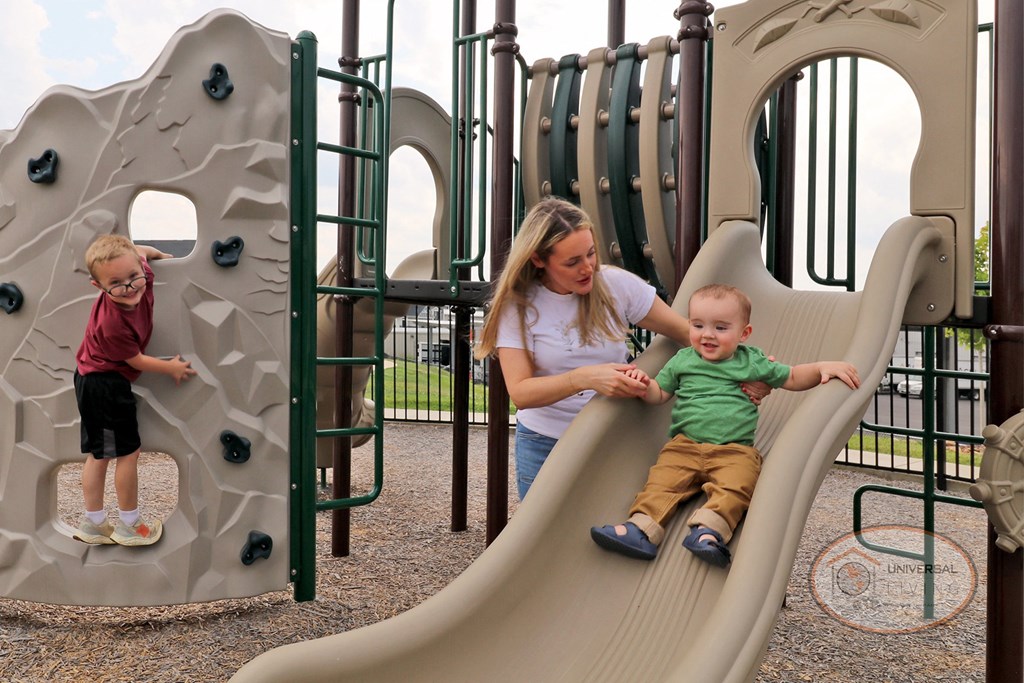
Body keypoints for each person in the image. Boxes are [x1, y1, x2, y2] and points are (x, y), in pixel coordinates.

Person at [474, 198, 768, 500]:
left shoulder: (615, 285)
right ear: (538, 260)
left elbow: (688, 334)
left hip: (613, 433)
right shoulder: (519, 307)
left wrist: (746, 370)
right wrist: (585, 378)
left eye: (591, 253)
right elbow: (521, 392)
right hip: (546, 440)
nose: (588, 267)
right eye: (572, 262)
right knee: (542, 536)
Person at [591, 283, 860, 567]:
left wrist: (820, 369)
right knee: (660, 482)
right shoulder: (683, 360)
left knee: (738, 486)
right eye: (698, 325)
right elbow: (660, 394)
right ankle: (642, 528)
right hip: (684, 445)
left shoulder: (752, 361)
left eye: (721, 328)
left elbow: (791, 377)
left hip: (734, 450)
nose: (707, 334)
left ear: (744, 333)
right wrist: (644, 386)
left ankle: (709, 530)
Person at [72, 234, 196, 546]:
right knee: (121, 453)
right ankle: (126, 524)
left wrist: (164, 256)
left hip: (100, 380)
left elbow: (141, 250)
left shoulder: (141, 273)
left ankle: (95, 523)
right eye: (116, 283)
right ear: (98, 287)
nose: (129, 288)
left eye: (132, 277)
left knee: (102, 453)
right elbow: (135, 359)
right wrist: (172, 368)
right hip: (104, 384)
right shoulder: (112, 322)